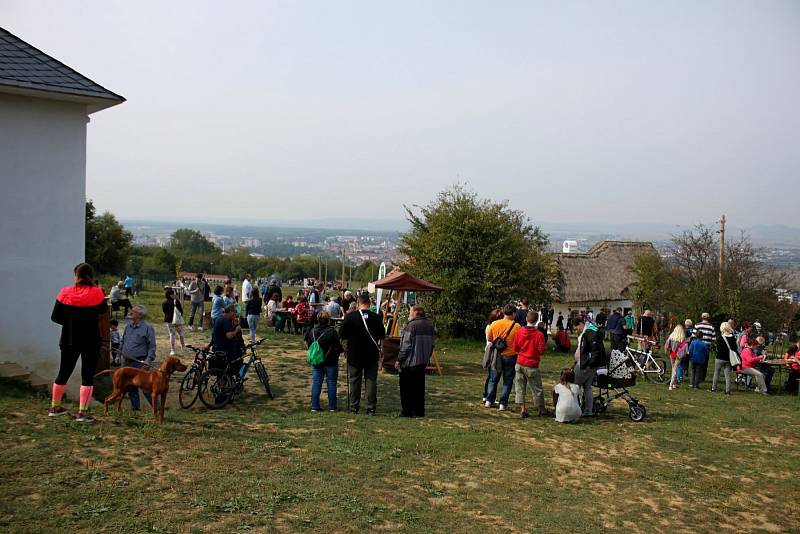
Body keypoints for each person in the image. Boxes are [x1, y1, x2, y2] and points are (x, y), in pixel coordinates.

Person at [49, 263, 108, 423]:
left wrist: (70, 322)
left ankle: (55, 407)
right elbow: (103, 310)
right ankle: (83, 413)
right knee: (87, 376)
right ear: (91, 276)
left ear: (76, 276)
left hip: (69, 338)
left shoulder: (65, 292)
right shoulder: (97, 293)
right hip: (91, 340)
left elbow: (55, 317)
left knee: (64, 372)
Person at [339, 293, 385, 414]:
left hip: (354, 353)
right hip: (371, 354)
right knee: (371, 380)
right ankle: (370, 407)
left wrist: (346, 345)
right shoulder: (376, 317)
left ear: (358, 304)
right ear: (369, 304)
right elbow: (382, 336)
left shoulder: (350, 317)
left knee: (354, 380)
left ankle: (354, 407)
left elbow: (342, 334)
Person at [394, 305, 435, 417]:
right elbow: (432, 345)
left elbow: (406, 346)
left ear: (416, 313)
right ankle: (419, 411)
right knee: (419, 389)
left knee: (406, 389)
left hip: (410, 363)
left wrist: (399, 359)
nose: (409, 314)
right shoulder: (430, 325)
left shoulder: (411, 326)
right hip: (422, 362)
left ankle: (407, 412)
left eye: (411, 312)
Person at [120, 304, 157, 410]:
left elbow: (152, 346)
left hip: (139, 362)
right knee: (130, 387)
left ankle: (157, 409)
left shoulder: (148, 328)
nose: (130, 312)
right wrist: (119, 355)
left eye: (133, 311)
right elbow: (123, 341)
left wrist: (148, 360)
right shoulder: (128, 327)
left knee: (145, 388)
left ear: (140, 315)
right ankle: (135, 409)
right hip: (126, 362)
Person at [305, 311, 343, 412]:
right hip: (331, 361)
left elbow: (309, 345)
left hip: (317, 361)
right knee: (331, 383)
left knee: (316, 383)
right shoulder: (332, 332)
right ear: (328, 320)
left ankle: (315, 406)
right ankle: (332, 407)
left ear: (317, 319)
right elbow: (337, 347)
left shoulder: (312, 331)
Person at [485, 304, 521, 411]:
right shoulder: (517, 327)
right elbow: (519, 342)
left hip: (497, 355)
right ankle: (503, 403)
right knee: (508, 380)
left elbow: (490, 338)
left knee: (493, 378)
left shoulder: (494, 324)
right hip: (511, 355)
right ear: (513, 314)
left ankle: (489, 400)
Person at [512, 310, 547, 418]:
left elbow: (515, 347)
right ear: (536, 321)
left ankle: (523, 409)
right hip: (532, 364)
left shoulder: (519, 331)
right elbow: (541, 350)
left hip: (520, 362)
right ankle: (541, 409)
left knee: (520, 387)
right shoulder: (539, 334)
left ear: (526, 319)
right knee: (537, 388)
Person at [575, 313, 606, 417]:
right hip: (590, 364)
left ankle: (575, 408)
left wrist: (589, 365)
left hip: (588, 365)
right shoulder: (591, 331)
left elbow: (595, 351)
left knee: (575, 385)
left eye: (576, 328)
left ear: (580, 324)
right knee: (587, 387)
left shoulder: (590, 332)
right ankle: (588, 410)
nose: (576, 330)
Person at [211, 305, 244, 372]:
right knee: (237, 362)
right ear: (230, 312)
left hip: (220, 348)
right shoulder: (224, 320)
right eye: (234, 312)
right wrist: (236, 330)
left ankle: (227, 379)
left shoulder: (221, 318)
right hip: (225, 350)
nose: (235, 314)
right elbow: (229, 336)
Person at [482, 308, 503, 402]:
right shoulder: (493, 327)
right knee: (494, 376)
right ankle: (489, 397)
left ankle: (486, 394)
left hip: (489, 350)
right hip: (493, 352)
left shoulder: (489, 326)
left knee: (491, 375)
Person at [712, 322, 737, 395]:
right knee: (727, 375)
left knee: (716, 373)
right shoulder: (733, 338)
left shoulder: (720, 338)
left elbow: (718, 348)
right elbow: (735, 348)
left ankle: (713, 388)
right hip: (729, 358)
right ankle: (727, 391)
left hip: (720, 357)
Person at [162, 288, 185, 356]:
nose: (174, 295)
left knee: (172, 335)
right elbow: (181, 311)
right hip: (177, 320)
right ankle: (183, 346)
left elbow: (164, 311)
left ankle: (173, 350)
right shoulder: (176, 302)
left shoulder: (164, 303)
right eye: (173, 294)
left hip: (169, 320)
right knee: (180, 333)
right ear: (170, 295)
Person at [665, 324, 688, 390]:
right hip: (679, 354)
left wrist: (667, 350)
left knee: (673, 368)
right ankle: (671, 385)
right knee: (675, 369)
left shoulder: (671, 336)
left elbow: (667, 344)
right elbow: (685, 347)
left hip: (672, 353)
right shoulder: (682, 338)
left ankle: (674, 384)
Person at [694, 312, 716, 382]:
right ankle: (702, 377)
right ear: (708, 318)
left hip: (697, 346)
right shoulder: (711, 327)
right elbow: (714, 339)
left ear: (702, 317)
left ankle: (696, 377)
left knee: (697, 362)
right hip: (706, 347)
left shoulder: (697, 325)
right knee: (705, 362)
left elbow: (693, 335)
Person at [677, 319, 694, 384]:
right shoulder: (693, 330)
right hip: (691, 346)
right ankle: (686, 369)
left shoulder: (683, 330)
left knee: (682, 360)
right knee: (687, 359)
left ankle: (683, 372)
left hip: (684, 346)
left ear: (685, 324)